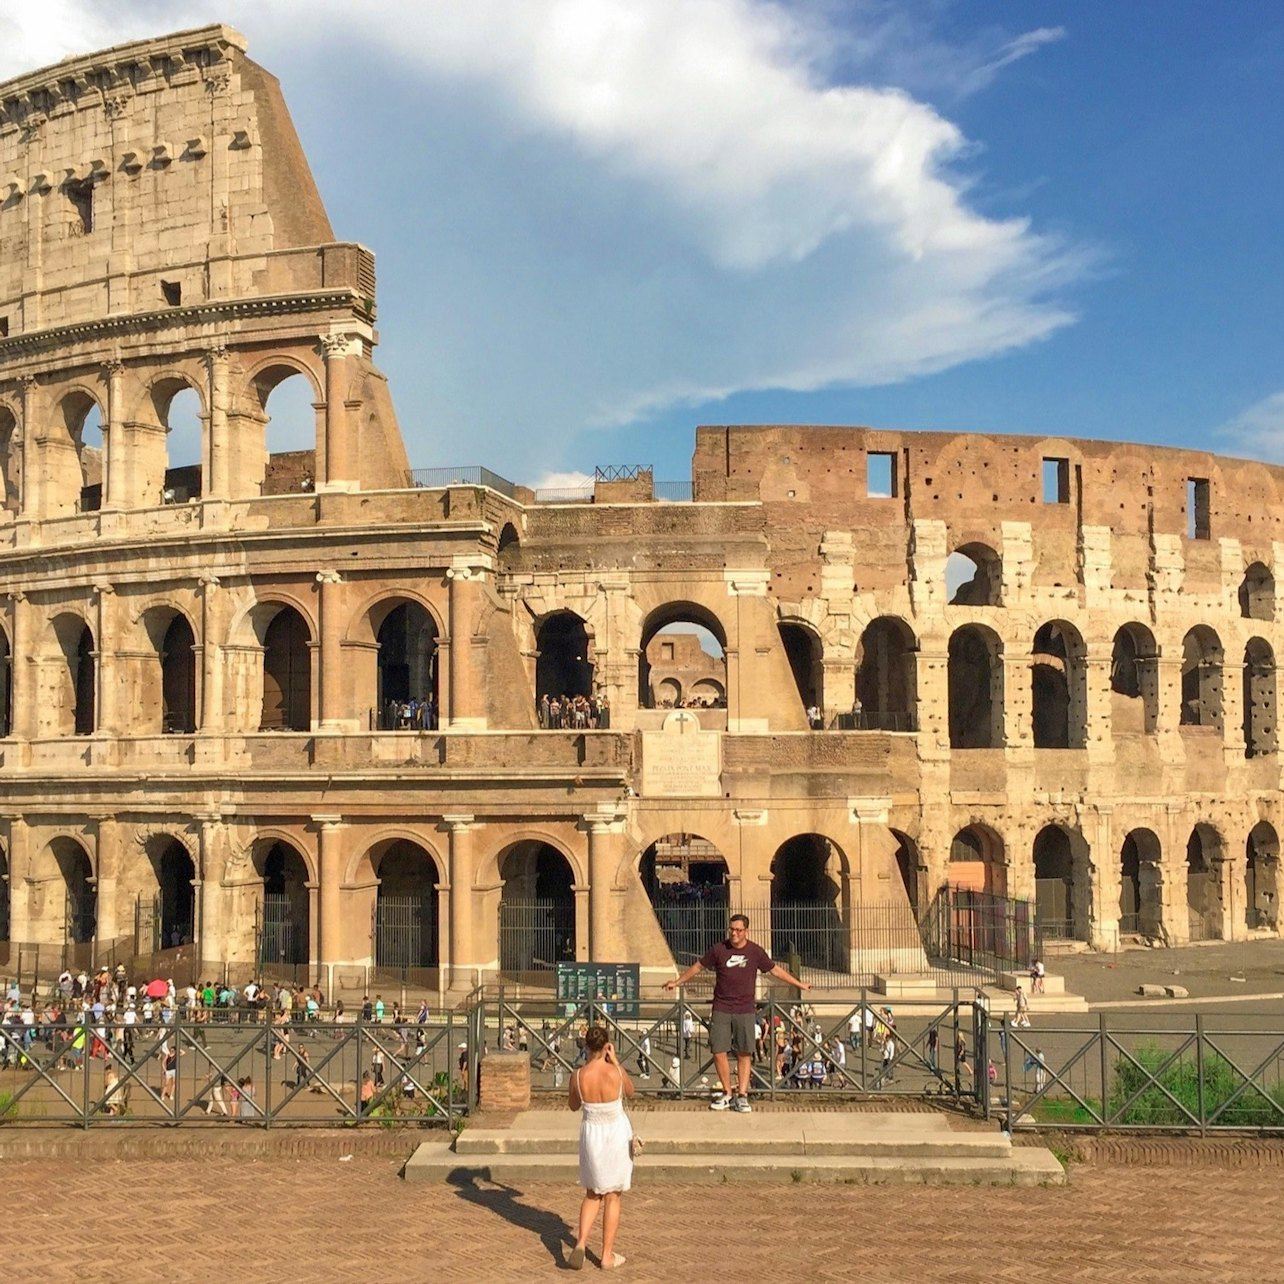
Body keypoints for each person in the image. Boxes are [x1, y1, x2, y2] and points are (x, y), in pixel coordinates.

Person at [664, 913, 810, 1113]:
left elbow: (775, 970)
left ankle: (742, 1095)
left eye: (738, 930)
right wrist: (677, 982)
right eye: (731, 929)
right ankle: (727, 1093)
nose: (734, 933)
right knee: (718, 1050)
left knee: (744, 1052)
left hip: (745, 1008)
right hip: (722, 1007)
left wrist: (799, 984)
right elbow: (698, 966)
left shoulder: (755, 951)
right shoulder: (719, 949)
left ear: (746, 931)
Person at [567, 1026, 634, 1271]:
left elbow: (574, 1105)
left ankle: (582, 1242)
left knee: (592, 1193)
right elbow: (630, 1091)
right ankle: (606, 1255)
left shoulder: (578, 1075)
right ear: (606, 1046)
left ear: (586, 1047)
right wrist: (615, 1061)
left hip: (592, 1133)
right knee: (613, 1195)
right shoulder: (614, 1071)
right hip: (615, 1133)